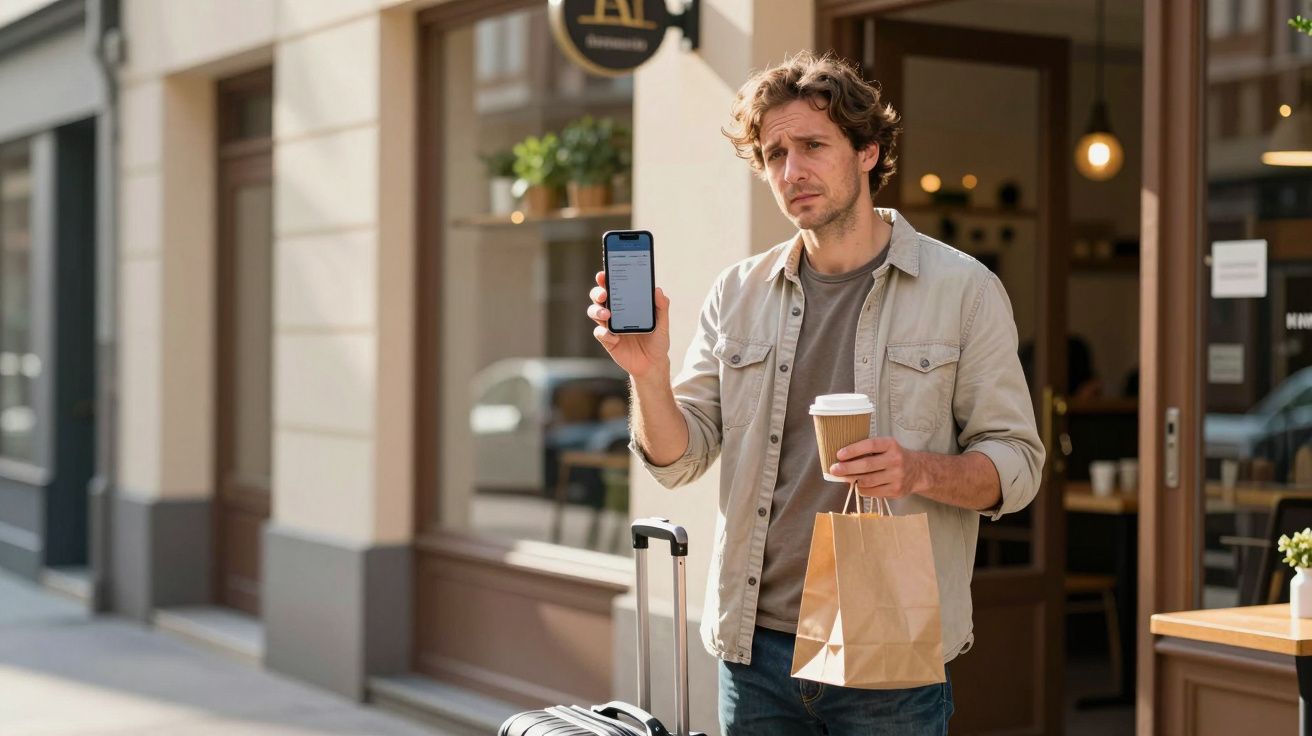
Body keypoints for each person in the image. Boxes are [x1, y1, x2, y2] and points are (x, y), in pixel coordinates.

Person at [585, 51, 1044, 735]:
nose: (791, 171)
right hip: (755, 650)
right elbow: (679, 458)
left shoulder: (962, 290)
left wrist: (916, 469)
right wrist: (647, 372)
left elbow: (1018, 465)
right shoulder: (738, 293)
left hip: (888, 654)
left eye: (812, 146)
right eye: (774, 154)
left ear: (868, 151)